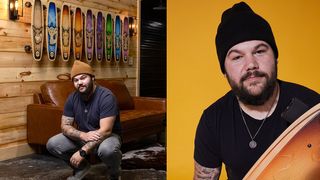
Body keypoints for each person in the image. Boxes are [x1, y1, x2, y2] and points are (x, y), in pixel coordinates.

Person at [193, 2, 320, 179]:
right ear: (224, 70)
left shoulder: (313, 106)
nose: (251, 64)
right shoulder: (213, 120)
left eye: (259, 51)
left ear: (275, 57)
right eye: (237, 57)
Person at [46, 60, 122, 180]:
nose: (79, 82)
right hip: (84, 136)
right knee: (53, 144)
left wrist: (83, 151)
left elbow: (106, 131)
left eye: (83, 78)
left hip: (107, 137)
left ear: (92, 78)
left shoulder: (106, 96)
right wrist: (82, 135)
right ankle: (81, 168)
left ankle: (114, 174)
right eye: (76, 80)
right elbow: (64, 126)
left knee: (108, 150)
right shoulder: (72, 98)